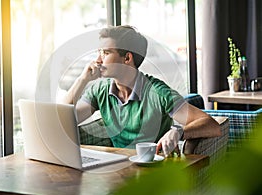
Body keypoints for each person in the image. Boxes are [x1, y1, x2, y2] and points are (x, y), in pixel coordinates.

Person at [63, 25, 221, 157]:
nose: (98, 60)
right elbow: (63, 120)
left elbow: (212, 125)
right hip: (117, 171)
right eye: (99, 52)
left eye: (106, 53)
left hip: (154, 174)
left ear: (127, 58)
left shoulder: (157, 92)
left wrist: (178, 131)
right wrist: (82, 80)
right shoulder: (100, 91)